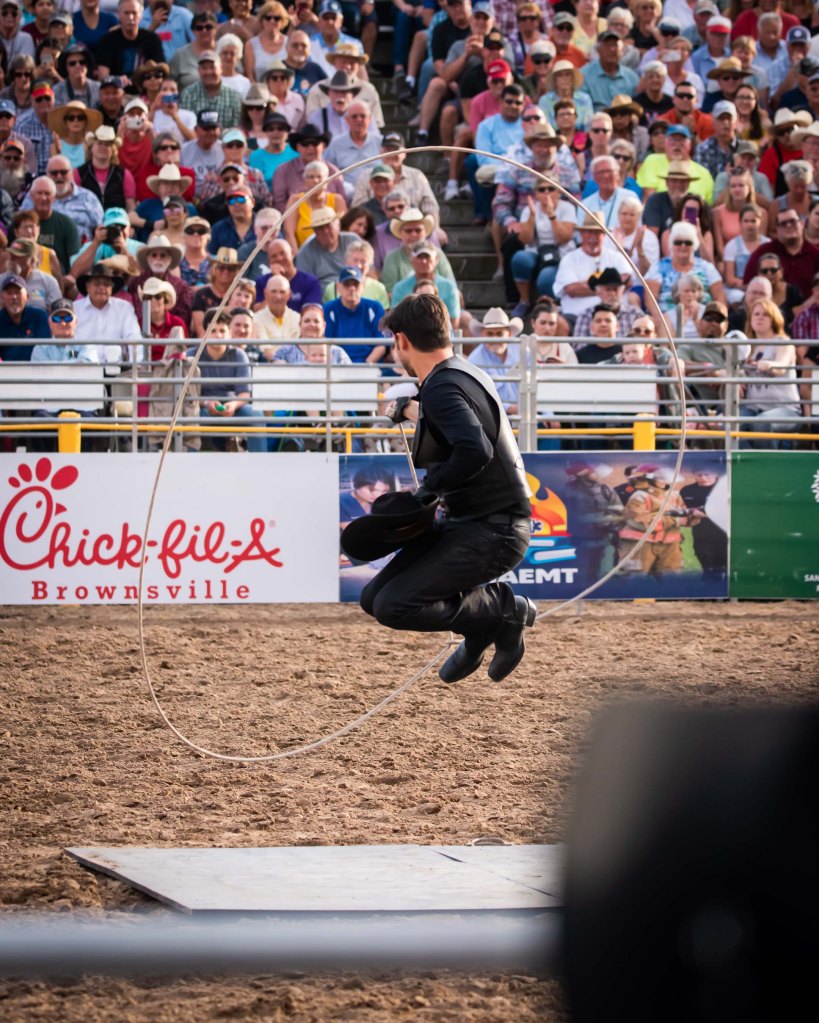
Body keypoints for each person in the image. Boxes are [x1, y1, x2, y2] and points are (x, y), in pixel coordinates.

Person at [359, 293, 536, 686]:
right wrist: (409, 409)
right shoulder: (463, 373)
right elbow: (452, 420)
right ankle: (480, 628)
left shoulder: (441, 387)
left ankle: (504, 610)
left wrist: (427, 491)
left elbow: (475, 449)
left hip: (494, 530)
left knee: (393, 605)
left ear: (402, 340)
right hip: (478, 523)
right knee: (373, 598)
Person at [193, 308, 267, 452]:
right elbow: (188, 395)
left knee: (256, 415)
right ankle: (187, 461)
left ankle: (259, 461)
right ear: (205, 333)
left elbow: (244, 394)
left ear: (230, 333)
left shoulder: (239, 355)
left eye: (222, 330)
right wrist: (207, 403)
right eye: (213, 331)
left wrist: (233, 405)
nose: (218, 335)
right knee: (187, 417)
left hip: (233, 408)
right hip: (202, 408)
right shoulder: (192, 355)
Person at [741, 297, 801, 446]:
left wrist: (768, 364)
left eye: (765, 314)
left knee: (761, 423)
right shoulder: (747, 347)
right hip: (753, 408)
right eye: (756, 314)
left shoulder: (783, 343)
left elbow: (781, 367)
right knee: (731, 424)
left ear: (774, 319)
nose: (760, 317)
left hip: (785, 410)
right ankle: (748, 461)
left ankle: (768, 461)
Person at [323, 264, 386, 364]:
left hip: (370, 366)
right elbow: (326, 344)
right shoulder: (328, 309)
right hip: (338, 365)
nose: (352, 288)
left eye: (356, 284)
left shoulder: (375, 308)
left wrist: (366, 365)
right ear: (338, 287)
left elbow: (382, 343)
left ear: (363, 286)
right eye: (347, 284)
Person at [679, 466, 728, 580]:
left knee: (721, 556)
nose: (703, 478)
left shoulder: (726, 489)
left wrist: (707, 513)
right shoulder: (686, 490)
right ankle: (708, 579)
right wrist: (690, 512)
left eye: (707, 474)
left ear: (716, 473)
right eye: (699, 475)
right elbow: (681, 508)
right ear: (694, 474)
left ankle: (723, 581)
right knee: (701, 553)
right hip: (699, 529)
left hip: (722, 529)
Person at [0, 273, 51, 360]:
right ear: (2, 298)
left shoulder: (39, 317)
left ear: (27, 296)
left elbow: (45, 349)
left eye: (18, 292)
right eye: (9, 293)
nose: (14, 297)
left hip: (37, 366)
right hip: (5, 367)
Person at [254, 271, 302, 341]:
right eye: (273, 291)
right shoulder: (256, 320)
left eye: (282, 292)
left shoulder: (298, 319)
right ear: (265, 293)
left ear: (289, 295)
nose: (278, 297)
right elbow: (264, 346)